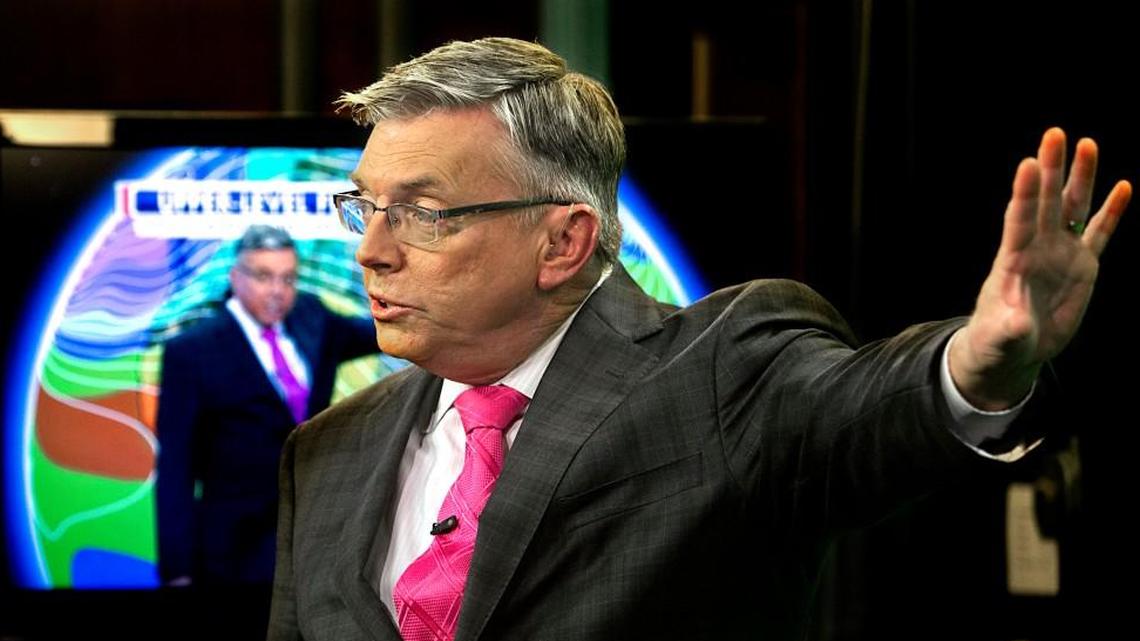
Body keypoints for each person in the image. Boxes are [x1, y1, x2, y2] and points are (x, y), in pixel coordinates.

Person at [266, 38, 1131, 641]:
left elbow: (865, 409)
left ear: (562, 241)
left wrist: (978, 362)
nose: (372, 251)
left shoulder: (720, 371)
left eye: (421, 213)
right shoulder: (328, 453)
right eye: (366, 208)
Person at [156, 224, 376, 590]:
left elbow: (374, 335)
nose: (277, 291)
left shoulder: (311, 316)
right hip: (230, 553)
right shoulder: (192, 352)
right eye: (264, 277)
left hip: (308, 540)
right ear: (235, 277)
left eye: (288, 279)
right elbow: (175, 468)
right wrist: (177, 567)